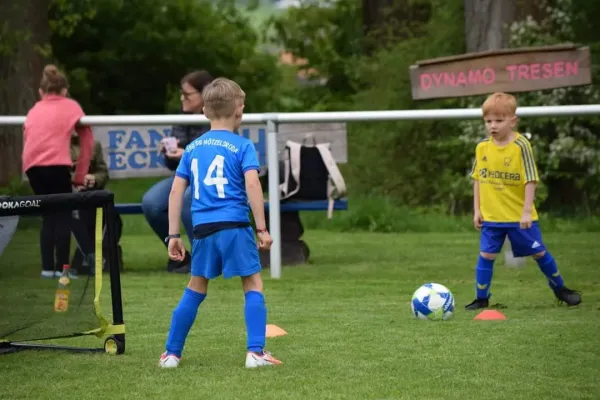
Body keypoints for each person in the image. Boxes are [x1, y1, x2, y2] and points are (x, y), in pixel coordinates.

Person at [158, 78, 281, 369]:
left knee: (195, 287)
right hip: (235, 227)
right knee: (252, 283)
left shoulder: (192, 149)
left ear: (203, 111)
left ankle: (171, 354)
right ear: (239, 110)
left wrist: (173, 234)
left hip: (202, 230)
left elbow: (176, 191)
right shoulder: (242, 146)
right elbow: (252, 184)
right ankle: (255, 352)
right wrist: (261, 228)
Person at [466, 92, 581, 310]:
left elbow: (531, 179)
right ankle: (481, 298)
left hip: (519, 217)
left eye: (499, 121)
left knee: (539, 252)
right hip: (492, 217)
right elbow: (478, 180)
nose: (493, 126)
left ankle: (561, 289)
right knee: (486, 254)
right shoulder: (482, 147)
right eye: (488, 121)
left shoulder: (521, 146)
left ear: (513, 121)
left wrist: (527, 211)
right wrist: (477, 210)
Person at [22, 64, 94, 279]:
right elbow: (87, 140)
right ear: (64, 90)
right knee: (63, 215)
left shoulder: (34, 110)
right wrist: (80, 174)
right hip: (57, 165)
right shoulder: (71, 106)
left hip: (32, 167)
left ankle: (47, 269)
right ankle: (62, 268)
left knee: (47, 216)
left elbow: (28, 139)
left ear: (41, 92)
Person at [141, 70, 214, 274]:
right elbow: (174, 165)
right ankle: (180, 257)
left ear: (204, 94)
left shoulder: (218, 116)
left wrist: (187, 152)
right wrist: (170, 153)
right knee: (151, 203)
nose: (182, 98)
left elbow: (217, 154)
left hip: (212, 178)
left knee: (190, 198)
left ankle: (203, 260)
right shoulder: (182, 118)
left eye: (187, 94)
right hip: (186, 176)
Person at [70, 136, 124, 274]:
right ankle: (88, 257)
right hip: (68, 193)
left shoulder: (94, 144)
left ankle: (101, 256)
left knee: (114, 218)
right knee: (86, 216)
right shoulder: (56, 144)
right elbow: (55, 173)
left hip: (90, 193)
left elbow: (102, 171)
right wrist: (76, 180)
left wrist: (94, 179)